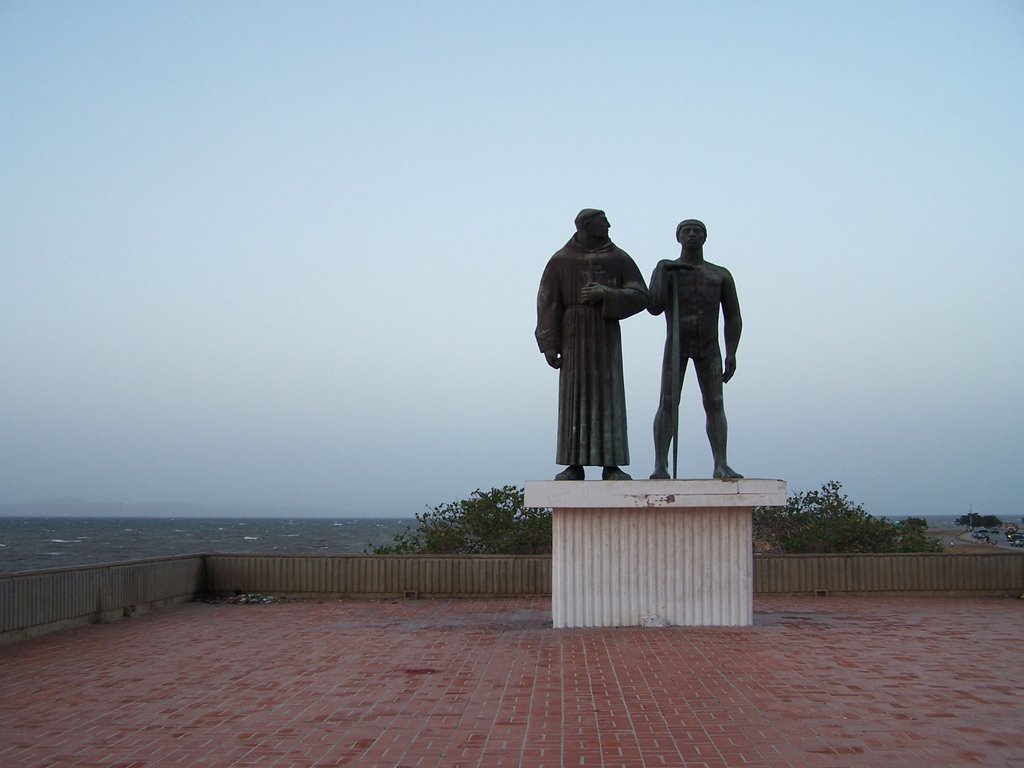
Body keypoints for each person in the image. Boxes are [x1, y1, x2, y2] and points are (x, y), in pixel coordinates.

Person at [536, 209, 649, 480]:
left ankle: (612, 464)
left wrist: (607, 293)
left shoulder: (618, 258)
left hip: (604, 331)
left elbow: (641, 295)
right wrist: (549, 343)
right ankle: (574, 464)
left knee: (609, 397)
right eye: (603, 221)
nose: (609, 225)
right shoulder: (561, 260)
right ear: (587, 225)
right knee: (574, 397)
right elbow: (547, 301)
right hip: (573, 333)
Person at [649, 219, 742, 479]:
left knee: (715, 403)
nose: (692, 234)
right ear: (678, 237)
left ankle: (721, 463)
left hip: (709, 344)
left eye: (697, 230)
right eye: (686, 230)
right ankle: (660, 465)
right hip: (677, 342)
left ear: (705, 237)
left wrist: (731, 351)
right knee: (668, 403)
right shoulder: (669, 269)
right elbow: (654, 306)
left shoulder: (719, 274)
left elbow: (733, 317)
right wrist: (662, 271)